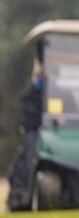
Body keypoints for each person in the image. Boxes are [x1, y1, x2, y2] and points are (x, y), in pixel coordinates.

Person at [6, 59, 45, 210]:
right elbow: (28, 116)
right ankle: (21, 197)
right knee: (27, 158)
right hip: (34, 132)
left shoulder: (61, 95)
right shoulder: (30, 96)